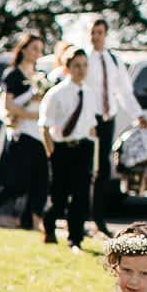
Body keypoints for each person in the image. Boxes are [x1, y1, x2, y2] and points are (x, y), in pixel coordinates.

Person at [83, 17, 147, 234]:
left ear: (105, 34)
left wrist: (138, 115)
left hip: (106, 119)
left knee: (102, 170)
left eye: (100, 32)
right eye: (93, 32)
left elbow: (124, 91)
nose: (96, 36)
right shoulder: (84, 59)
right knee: (84, 169)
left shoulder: (113, 60)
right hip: (88, 120)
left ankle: (99, 220)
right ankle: (79, 219)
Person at [40, 45, 97, 250]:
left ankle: (75, 239)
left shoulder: (90, 93)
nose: (81, 70)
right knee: (59, 197)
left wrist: (94, 158)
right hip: (62, 149)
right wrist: (51, 152)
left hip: (82, 148)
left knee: (81, 196)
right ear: (67, 68)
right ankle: (48, 226)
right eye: (76, 66)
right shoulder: (57, 93)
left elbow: (91, 128)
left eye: (84, 65)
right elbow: (45, 126)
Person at [0, 32, 50, 230]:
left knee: (40, 178)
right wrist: (27, 111)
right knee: (13, 176)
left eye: (40, 50)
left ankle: (34, 220)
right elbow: (8, 104)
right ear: (23, 49)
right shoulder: (13, 74)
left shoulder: (41, 75)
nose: (36, 53)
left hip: (38, 133)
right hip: (20, 131)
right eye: (33, 48)